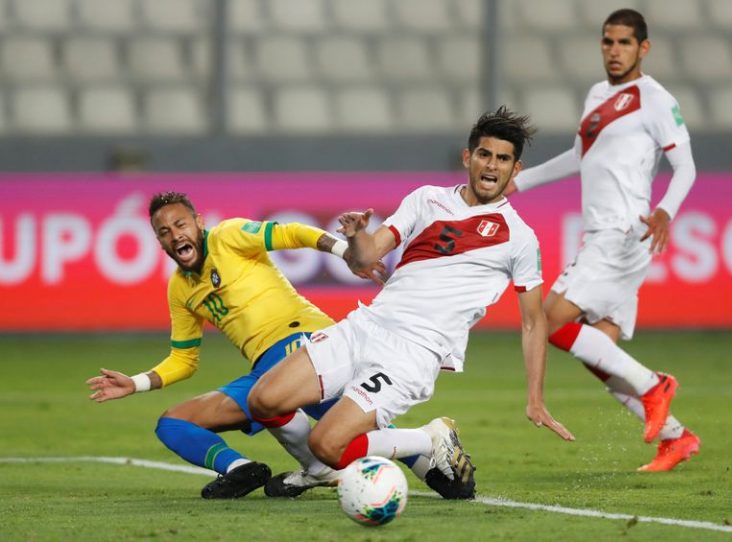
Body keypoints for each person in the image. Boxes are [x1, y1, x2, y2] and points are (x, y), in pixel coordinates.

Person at [246, 107, 575, 498]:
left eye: (503, 159)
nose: (492, 165)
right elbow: (367, 258)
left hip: (412, 353)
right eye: (485, 154)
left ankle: (427, 438)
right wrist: (356, 236)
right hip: (366, 326)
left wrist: (535, 398)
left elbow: (534, 321)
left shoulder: (519, 237)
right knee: (263, 400)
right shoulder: (427, 199)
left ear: (515, 169)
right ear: (467, 158)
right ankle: (320, 471)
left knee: (328, 442)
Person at [86, 192, 436, 499]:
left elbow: (292, 232)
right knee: (173, 424)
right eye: (164, 232)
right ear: (160, 243)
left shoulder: (228, 236)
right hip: (265, 371)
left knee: (337, 420)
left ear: (198, 222)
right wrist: (137, 382)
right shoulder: (180, 289)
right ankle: (241, 469)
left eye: (180, 224)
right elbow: (184, 359)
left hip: (306, 342)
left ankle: (423, 450)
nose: (175, 234)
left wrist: (345, 251)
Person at [504, 9, 700, 472]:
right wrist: (520, 182)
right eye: (608, 42)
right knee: (603, 358)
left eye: (625, 43)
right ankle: (677, 438)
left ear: (643, 48)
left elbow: (686, 166)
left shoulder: (654, 99)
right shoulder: (597, 95)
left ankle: (655, 386)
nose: (614, 51)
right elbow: (578, 156)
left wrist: (665, 210)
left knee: (548, 322)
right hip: (602, 234)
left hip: (622, 233)